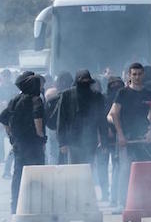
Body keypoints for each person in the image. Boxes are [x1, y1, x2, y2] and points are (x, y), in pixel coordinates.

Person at [107, 62, 151, 208]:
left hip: (143, 136)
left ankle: (144, 202)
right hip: (126, 137)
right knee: (125, 170)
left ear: (143, 75)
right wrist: (120, 135)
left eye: (139, 74)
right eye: (134, 74)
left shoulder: (149, 93)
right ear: (129, 75)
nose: (137, 77)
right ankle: (123, 203)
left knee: (144, 170)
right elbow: (114, 113)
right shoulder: (123, 93)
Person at [0, 72, 46, 214]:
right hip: (33, 144)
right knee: (37, 174)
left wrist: (11, 134)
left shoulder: (15, 99)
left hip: (19, 144)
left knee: (18, 174)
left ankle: (16, 206)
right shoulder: (36, 99)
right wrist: (41, 137)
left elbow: (3, 118)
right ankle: (36, 206)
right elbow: (37, 118)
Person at [55, 70, 106, 165]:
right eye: (82, 81)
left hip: (91, 140)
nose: (85, 84)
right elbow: (61, 119)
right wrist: (62, 142)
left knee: (89, 168)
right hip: (72, 140)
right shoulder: (67, 95)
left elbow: (102, 120)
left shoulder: (97, 96)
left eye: (87, 82)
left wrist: (104, 141)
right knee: (74, 169)